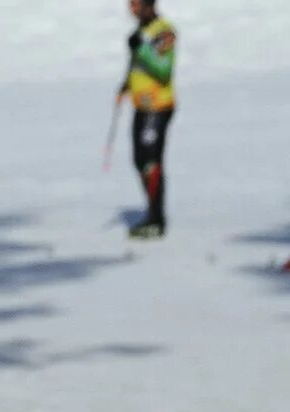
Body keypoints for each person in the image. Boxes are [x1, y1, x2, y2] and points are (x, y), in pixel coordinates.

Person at [117, 0, 176, 237]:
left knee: (151, 161)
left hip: (158, 107)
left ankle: (156, 218)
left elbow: (163, 70)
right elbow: (137, 66)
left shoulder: (164, 32)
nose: (131, 9)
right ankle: (152, 210)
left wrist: (141, 49)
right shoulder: (139, 33)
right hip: (141, 107)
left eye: (135, 4)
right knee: (139, 159)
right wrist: (126, 85)